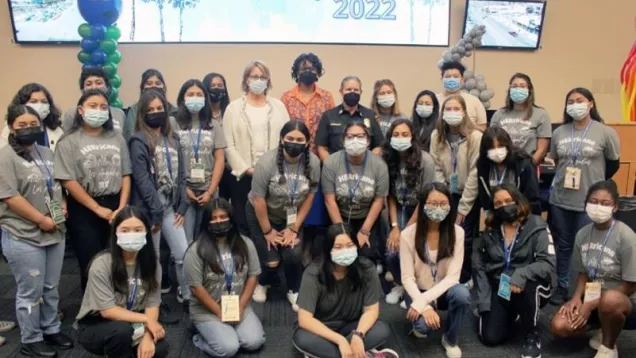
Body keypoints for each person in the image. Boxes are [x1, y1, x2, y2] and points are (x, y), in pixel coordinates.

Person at [0, 104, 73, 358]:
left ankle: (51, 328)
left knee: (51, 286)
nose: (29, 129)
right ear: (11, 127)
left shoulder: (46, 153)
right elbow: (9, 196)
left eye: (34, 124)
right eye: (22, 125)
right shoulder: (5, 157)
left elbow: (57, 186)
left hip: (54, 231)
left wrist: (61, 205)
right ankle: (31, 339)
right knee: (30, 290)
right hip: (23, 233)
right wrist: (40, 220)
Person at [548, 88, 621, 305]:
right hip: (561, 199)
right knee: (563, 245)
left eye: (579, 100)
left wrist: (595, 182)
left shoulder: (605, 132)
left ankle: (586, 292)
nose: (574, 105)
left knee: (588, 249)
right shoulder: (560, 132)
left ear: (590, 103)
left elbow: (613, 163)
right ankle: (562, 285)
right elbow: (555, 159)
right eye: (570, 101)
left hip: (590, 202)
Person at [54, 89, 132, 291]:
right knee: (90, 258)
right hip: (84, 208)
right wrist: (98, 209)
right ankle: (94, 308)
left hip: (116, 205)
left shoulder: (117, 138)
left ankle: (117, 301)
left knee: (117, 256)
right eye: (93, 106)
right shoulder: (68, 141)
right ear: (81, 110)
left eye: (103, 107)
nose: (99, 110)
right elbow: (68, 180)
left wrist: (121, 208)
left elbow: (126, 174)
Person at [551, 180, 636, 358]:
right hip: (593, 295)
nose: (598, 207)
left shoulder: (626, 236)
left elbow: (630, 285)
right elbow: (582, 274)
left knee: (610, 300)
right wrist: (576, 299)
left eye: (605, 203)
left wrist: (591, 304)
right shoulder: (582, 234)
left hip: (623, 300)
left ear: (614, 207)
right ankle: (603, 327)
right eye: (594, 201)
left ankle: (608, 346)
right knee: (559, 325)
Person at [246, 120, 321, 308]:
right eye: (289, 138)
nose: (294, 142)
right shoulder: (266, 163)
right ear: (281, 139)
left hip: (292, 216)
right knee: (271, 259)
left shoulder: (314, 162)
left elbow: (310, 196)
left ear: (307, 143)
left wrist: (294, 229)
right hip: (262, 215)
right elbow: (258, 200)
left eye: (299, 139)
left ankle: (294, 289)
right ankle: (263, 282)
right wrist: (268, 231)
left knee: (294, 254)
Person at [474, 185, 555, 358]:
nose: (503, 206)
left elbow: (547, 263)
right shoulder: (490, 229)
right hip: (501, 286)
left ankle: (531, 335)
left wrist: (521, 275)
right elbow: (479, 266)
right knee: (490, 337)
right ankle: (511, 312)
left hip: (530, 285)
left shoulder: (537, 224)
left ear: (518, 201)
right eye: (498, 203)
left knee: (530, 287)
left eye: (508, 201)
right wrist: (483, 302)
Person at [76, 207, 169, 358]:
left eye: (138, 230)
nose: (131, 235)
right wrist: (147, 320)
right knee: (121, 333)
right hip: (97, 323)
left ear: (147, 232)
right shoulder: (102, 263)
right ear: (115, 233)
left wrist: (147, 335)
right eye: (125, 230)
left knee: (159, 348)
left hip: (134, 320)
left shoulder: (152, 265)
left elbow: (152, 305)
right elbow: (108, 311)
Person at [292, 223, 397, 358]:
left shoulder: (367, 269)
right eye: (338, 247)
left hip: (352, 325)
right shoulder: (313, 273)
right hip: (322, 328)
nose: (345, 251)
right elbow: (305, 319)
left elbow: (371, 310)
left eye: (350, 245)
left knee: (381, 330)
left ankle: (331, 354)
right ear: (328, 249)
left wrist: (358, 335)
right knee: (303, 339)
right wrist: (340, 340)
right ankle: (360, 354)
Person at [129, 89, 192, 306]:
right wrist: (155, 213)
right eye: (151, 110)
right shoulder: (138, 140)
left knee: (183, 253)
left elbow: (182, 174)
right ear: (142, 113)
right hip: (150, 211)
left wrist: (182, 206)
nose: (156, 113)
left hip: (170, 209)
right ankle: (152, 303)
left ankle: (187, 294)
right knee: (153, 259)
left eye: (160, 109)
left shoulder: (172, 138)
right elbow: (143, 179)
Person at [184, 198, 266, 357]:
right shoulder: (196, 250)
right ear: (207, 222)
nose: (218, 221)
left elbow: (253, 275)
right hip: (207, 310)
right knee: (228, 348)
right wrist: (219, 312)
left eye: (222, 217)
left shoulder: (245, 243)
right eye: (213, 218)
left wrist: (241, 306)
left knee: (254, 342)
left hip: (238, 305)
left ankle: (225, 332)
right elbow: (196, 288)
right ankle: (199, 337)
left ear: (231, 219)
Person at [400, 182, 470, 358]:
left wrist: (422, 302)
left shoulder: (458, 233)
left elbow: (453, 277)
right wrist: (425, 305)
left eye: (443, 203)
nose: (438, 208)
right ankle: (421, 318)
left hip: (445, 290)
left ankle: (450, 339)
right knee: (422, 330)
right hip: (418, 288)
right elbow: (407, 278)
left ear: (449, 205)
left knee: (462, 294)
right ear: (423, 205)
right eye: (432, 203)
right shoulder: (407, 234)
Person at [223, 60, 291, 236]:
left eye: (263, 77)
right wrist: (247, 170)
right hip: (243, 177)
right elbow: (228, 145)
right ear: (246, 79)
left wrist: (272, 169)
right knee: (244, 223)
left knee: (271, 221)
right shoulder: (233, 108)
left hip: (274, 175)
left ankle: (270, 260)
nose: (259, 80)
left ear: (268, 80)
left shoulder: (279, 107)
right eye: (254, 76)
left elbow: (287, 139)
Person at [382, 119, 436, 305]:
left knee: (415, 249)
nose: (400, 138)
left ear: (412, 137)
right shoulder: (388, 158)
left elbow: (427, 197)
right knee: (392, 251)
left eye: (405, 134)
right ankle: (400, 284)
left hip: (420, 208)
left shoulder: (426, 160)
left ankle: (415, 289)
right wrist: (395, 226)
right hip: (397, 207)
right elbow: (389, 195)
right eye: (396, 135)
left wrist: (407, 229)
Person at [430, 95, 482, 284]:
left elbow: (475, 173)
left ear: (464, 113)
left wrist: (463, 207)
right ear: (442, 114)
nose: (452, 113)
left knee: (464, 238)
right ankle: (445, 273)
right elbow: (435, 166)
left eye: (456, 109)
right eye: (448, 109)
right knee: (445, 234)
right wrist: (443, 197)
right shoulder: (437, 136)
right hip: (445, 193)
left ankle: (465, 276)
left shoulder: (475, 137)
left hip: (468, 194)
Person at [322, 121, 389, 269]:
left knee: (364, 255)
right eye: (350, 136)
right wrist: (343, 233)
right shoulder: (331, 162)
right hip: (340, 215)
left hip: (367, 217)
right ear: (343, 140)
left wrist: (365, 231)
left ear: (368, 141)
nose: (355, 140)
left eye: (360, 136)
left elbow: (379, 201)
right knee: (339, 252)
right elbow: (329, 200)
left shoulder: (379, 165)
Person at [171, 79, 226, 243]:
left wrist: (210, 191)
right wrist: (184, 188)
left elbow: (220, 158)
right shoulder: (172, 123)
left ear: (205, 99)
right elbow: (169, 159)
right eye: (190, 94)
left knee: (210, 238)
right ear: (182, 98)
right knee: (185, 240)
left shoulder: (213, 125)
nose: (195, 97)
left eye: (199, 94)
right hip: (183, 191)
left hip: (209, 190)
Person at [315, 75, 384, 161]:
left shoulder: (370, 115)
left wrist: (368, 164)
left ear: (361, 92)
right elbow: (321, 147)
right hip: (336, 168)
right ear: (341, 92)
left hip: (364, 169)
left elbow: (379, 145)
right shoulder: (328, 116)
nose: (352, 92)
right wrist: (331, 167)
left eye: (356, 90)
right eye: (348, 89)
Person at [477, 126, 541, 215]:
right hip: (497, 217)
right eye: (491, 148)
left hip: (521, 217)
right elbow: (484, 197)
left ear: (507, 145)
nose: (496, 151)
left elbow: (533, 199)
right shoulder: (483, 166)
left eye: (500, 146)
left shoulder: (523, 164)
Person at [490, 73, 551, 164]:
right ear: (509, 90)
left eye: (522, 86)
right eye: (514, 86)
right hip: (502, 165)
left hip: (528, 166)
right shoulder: (499, 114)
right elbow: (492, 142)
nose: (518, 89)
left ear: (529, 90)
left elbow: (541, 150)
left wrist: (528, 167)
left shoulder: (541, 114)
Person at [281, 52, 335, 153]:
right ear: (297, 72)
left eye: (312, 69)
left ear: (318, 72)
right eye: (304, 69)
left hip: (320, 154)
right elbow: (283, 128)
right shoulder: (286, 98)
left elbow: (331, 127)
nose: (308, 72)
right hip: (293, 153)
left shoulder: (327, 97)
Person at [1, 83, 64, 150]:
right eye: (33, 101)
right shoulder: (9, 130)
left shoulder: (57, 130)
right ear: (22, 104)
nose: (39, 105)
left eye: (44, 102)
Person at [62, 67, 125, 133]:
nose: (94, 87)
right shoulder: (71, 114)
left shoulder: (119, 114)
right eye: (89, 84)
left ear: (107, 87)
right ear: (82, 90)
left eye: (99, 83)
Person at [202, 72, 233, 202]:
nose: (216, 88)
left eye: (220, 85)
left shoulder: (231, 111)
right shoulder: (201, 115)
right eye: (212, 85)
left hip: (230, 168)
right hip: (209, 169)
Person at [124, 69, 177, 141]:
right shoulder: (134, 110)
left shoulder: (174, 111)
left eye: (158, 83)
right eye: (149, 83)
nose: (153, 86)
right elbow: (131, 136)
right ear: (142, 88)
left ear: (164, 87)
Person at [436, 61, 487, 132]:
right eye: (448, 76)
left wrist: (469, 125)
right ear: (442, 79)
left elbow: (483, 129)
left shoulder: (474, 101)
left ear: (462, 79)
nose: (451, 79)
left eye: (455, 76)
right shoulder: (434, 100)